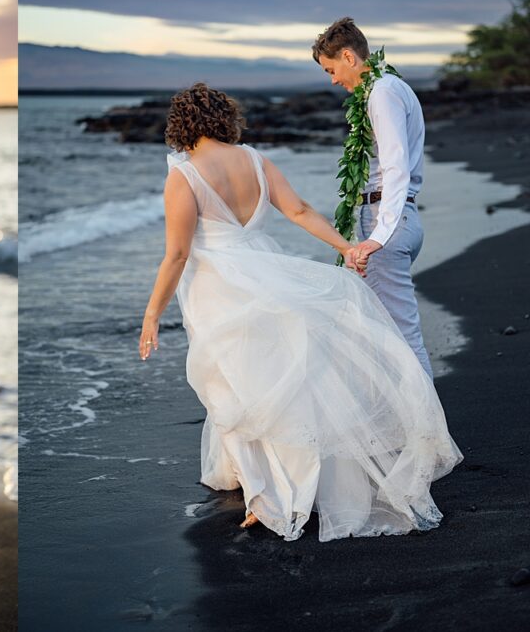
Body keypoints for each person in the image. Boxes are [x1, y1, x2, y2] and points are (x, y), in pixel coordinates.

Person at [138, 83, 461, 542]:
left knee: (235, 385)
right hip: (267, 271)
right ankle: (272, 482)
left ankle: (267, 497)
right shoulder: (254, 159)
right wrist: (346, 248)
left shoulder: (184, 175)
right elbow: (300, 210)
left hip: (218, 287)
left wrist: (152, 314)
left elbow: (175, 255)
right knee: (271, 382)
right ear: (223, 117)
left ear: (182, 125)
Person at [313, 17, 433, 376]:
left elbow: (396, 166)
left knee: (402, 337)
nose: (333, 79)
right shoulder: (392, 87)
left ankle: (427, 431)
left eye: (331, 69)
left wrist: (378, 236)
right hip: (399, 218)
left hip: (386, 221)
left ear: (349, 57)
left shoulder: (381, 92)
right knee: (381, 333)